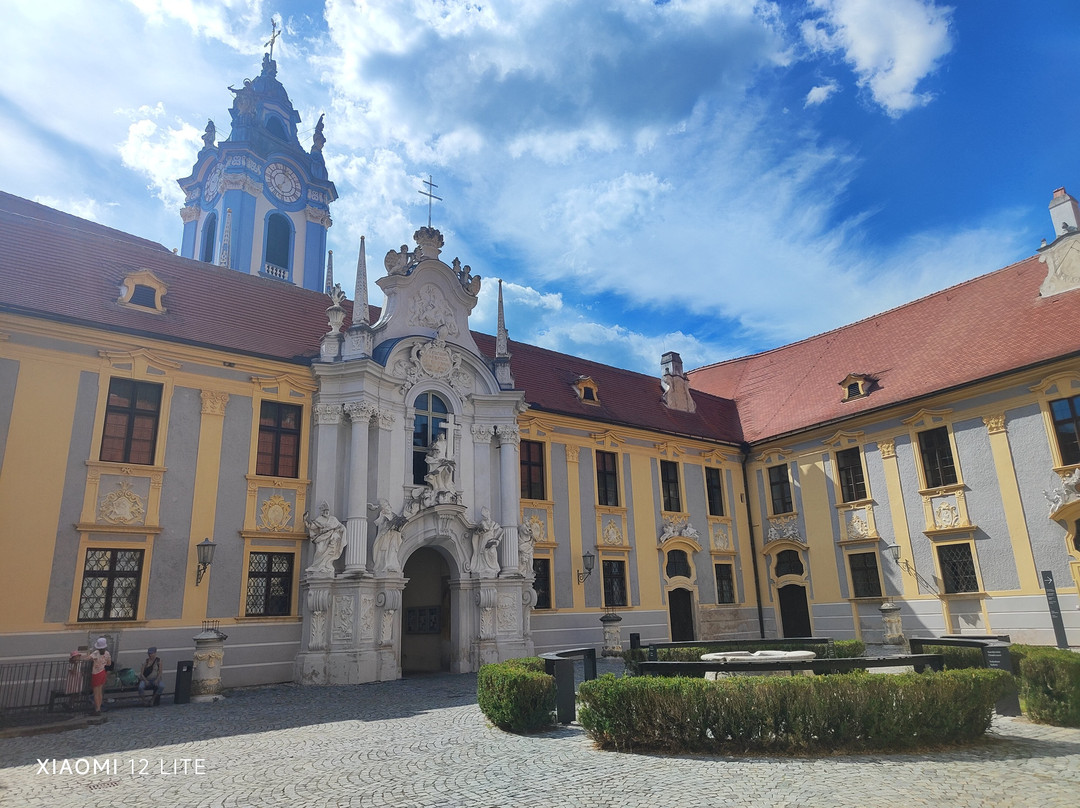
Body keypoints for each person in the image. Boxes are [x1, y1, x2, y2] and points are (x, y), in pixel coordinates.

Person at [303, 502, 347, 576]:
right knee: (319, 551)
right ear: (322, 512)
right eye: (325, 511)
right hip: (321, 538)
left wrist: (341, 530)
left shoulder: (333, 519)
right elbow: (311, 527)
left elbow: (340, 526)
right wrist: (304, 520)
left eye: (327, 511)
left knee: (329, 552)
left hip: (330, 538)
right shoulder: (319, 519)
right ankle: (315, 566)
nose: (326, 512)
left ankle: (324, 565)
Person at [82, 637, 111, 714]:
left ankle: (97, 709)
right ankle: (99, 707)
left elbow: (88, 658)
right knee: (100, 692)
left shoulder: (96, 653)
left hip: (96, 673)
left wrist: (82, 657)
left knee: (95, 693)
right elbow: (109, 663)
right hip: (103, 672)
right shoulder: (107, 653)